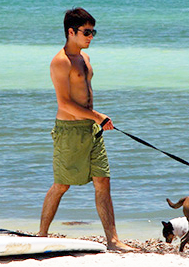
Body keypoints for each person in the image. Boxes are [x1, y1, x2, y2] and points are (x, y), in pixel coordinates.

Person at [38, 7, 136, 252]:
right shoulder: (60, 62)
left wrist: (96, 120)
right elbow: (64, 103)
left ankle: (112, 240)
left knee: (103, 181)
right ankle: (41, 235)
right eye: (87, 32)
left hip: (92, 128)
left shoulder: (85, 58)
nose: (91, 36)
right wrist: (97, 116)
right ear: (71, 32)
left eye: (94, 32)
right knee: (62, 184)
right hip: (70, 131)